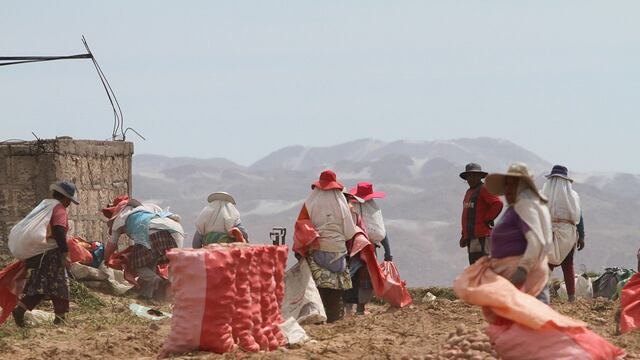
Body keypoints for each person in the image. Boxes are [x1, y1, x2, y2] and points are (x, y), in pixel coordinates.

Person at [293, 170, 357, 323]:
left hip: (317, 251)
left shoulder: (309, 203)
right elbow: (350, 233)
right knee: (335, 290)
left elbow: (301, 227)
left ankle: (319, 316)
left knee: (319, 287)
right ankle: (334, 318)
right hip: (338, 252)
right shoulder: (342, 204)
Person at [12, 181, 79, 326]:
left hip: (42, 254)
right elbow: (59, 231)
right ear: (66, 198)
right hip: (52, 254)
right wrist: (65, 253)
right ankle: (60, 319)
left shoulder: (45, 205)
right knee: (60, 285)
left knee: (41, 286)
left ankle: (20, 310)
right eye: (69, 201)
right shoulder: (59, 209)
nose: (69, 204)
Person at [484, 162, 552, 303]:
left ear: (523, 186)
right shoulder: (518, 207)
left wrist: (522, 270)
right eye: (507, 184)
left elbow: (536, 241)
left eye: (513, 184)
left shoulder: (525, 206)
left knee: (529, 321)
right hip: (516, 280)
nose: (508, 189)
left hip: (524, 281)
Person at [102, 196, 184, 300]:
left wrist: (106, 259)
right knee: (151, 264)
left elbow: (112, 244)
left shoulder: (120, 218)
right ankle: (149, 296)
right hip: (176, 231)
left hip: (152, 231)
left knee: (137, 265)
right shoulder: (146, 209)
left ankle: (159, 282)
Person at [542, 165, 584, 302]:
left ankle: (541, 295)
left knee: (547, 264)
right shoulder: (573, 196)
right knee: (568, 264)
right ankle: (571, 297)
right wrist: (581, 236)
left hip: (549, 232)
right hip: (568, 235)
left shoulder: (543, 194)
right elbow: (579, 217)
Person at [459, 163, 504, 264]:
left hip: (482, 236)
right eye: (469, 176)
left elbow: (497, 203)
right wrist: (464, 235)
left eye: (474, 175)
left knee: (484, 266)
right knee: (475, 266)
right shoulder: (469, 192)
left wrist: (487, 218)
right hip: (472, 237)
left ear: (480, 176)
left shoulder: (484, 189)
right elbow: (467, 215)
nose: (471, 178)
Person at [342, 192, 373, 316]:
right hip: (357, 250)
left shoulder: (336, 211)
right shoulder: (354, 212)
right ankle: (358, 309)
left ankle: (347, 308)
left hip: (341, 249)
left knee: (346, 278)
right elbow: (362, 231)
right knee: (357, 279)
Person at [348, 182, 393, 262]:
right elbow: (381, 231)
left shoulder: (351, 206)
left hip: (353, 247)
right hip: (370, 249)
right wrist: (388, 253)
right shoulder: (374, 209)